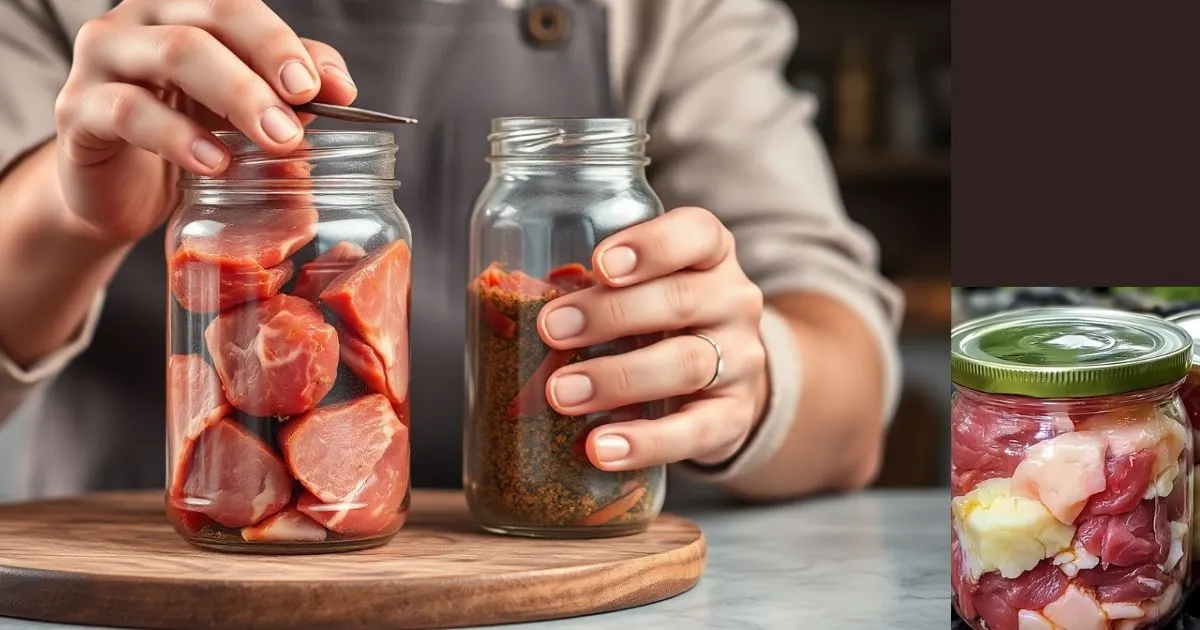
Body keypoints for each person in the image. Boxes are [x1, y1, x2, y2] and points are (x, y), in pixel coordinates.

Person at [0, 0, 902, 501]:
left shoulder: (666, 13)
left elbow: (850, 395)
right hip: (145, 586)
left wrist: (746, 376)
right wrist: (73, 214)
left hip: (570, 590)